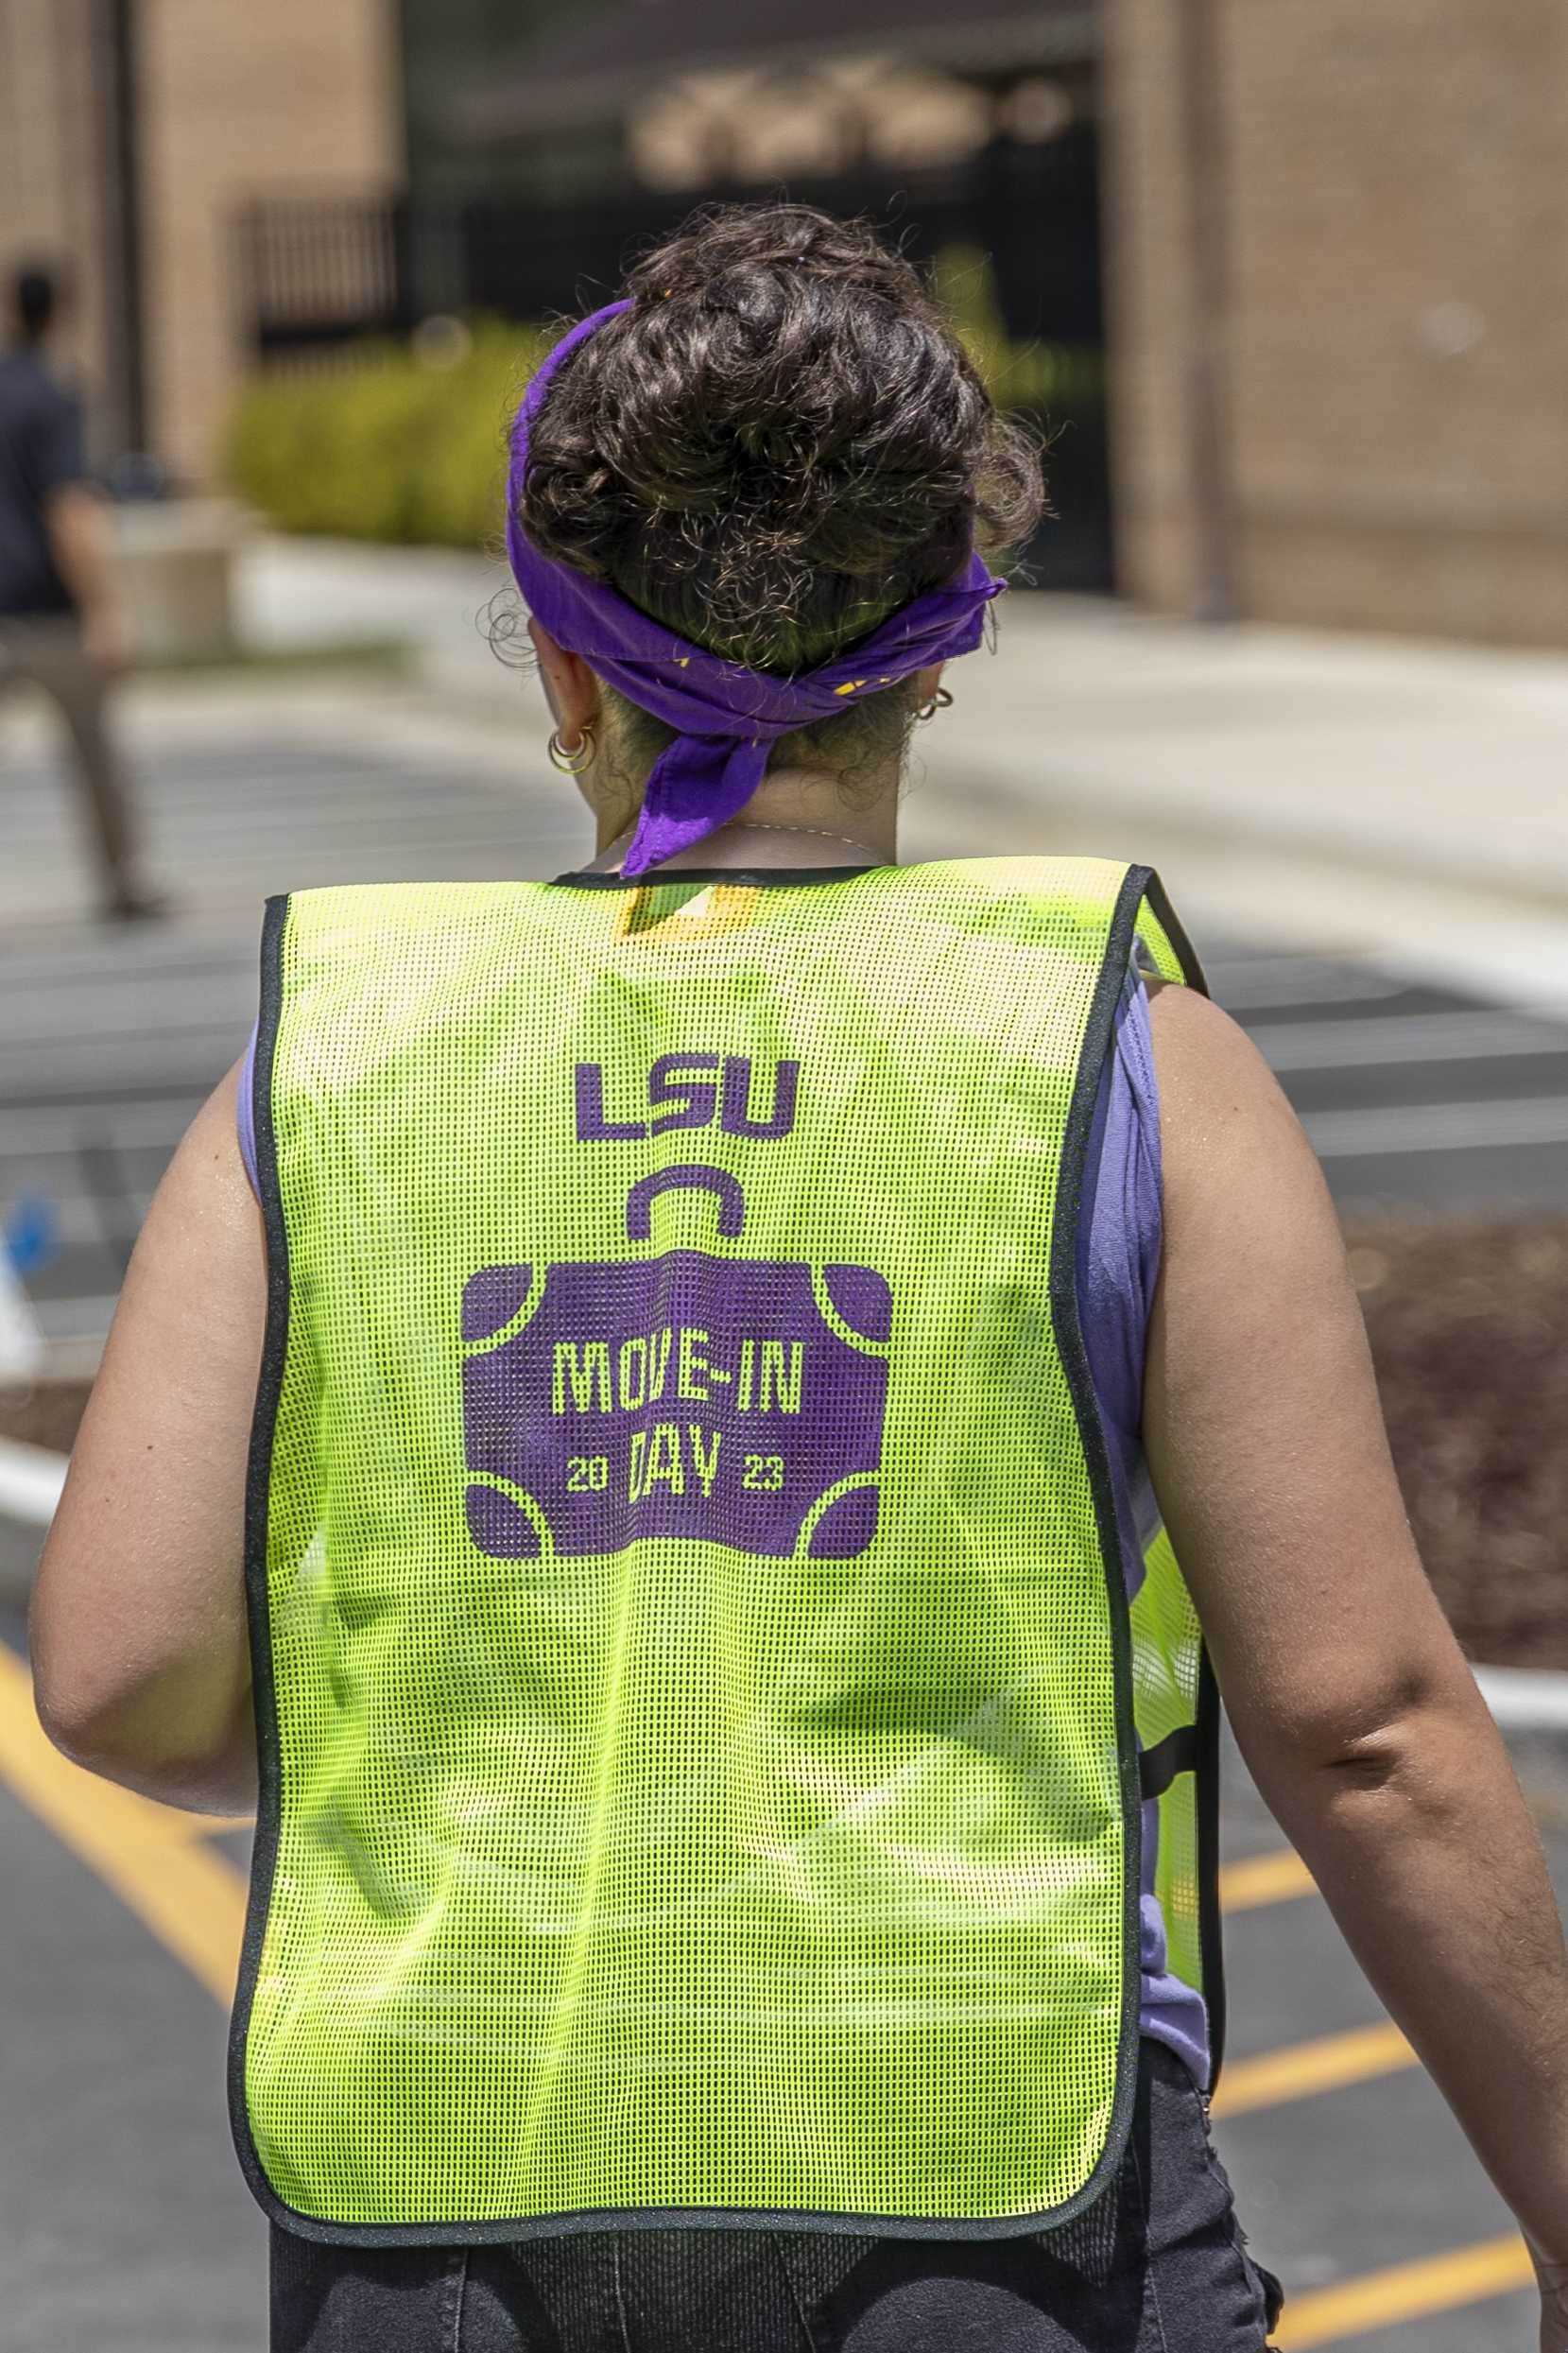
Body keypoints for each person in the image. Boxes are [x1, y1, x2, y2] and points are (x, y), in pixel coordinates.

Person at [27, 204, 1568, 2353]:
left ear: (561, 659)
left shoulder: (336, 1043)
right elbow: (1368, 1722)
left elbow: (120, 1678)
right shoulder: (1115, 1048)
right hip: (989, 2189)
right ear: (945, 639)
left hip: (446, 2201)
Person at [0, 261, 161, 921]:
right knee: (95, 757)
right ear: (61, 312)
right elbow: (70, 508)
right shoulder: (54, 395)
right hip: (48, 612)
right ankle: (124, 882)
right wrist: (105, 609)